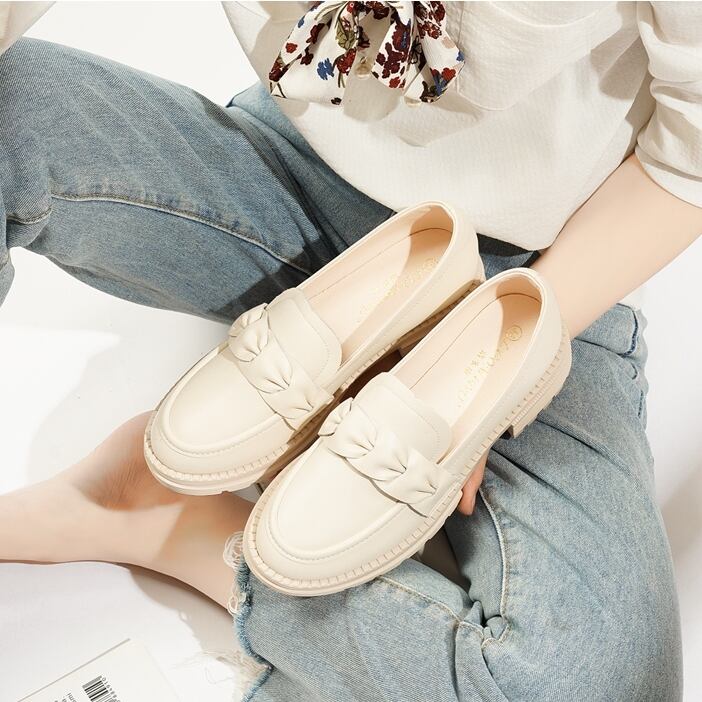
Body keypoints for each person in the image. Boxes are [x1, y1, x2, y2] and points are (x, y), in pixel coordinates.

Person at [1, 2, 701, 700]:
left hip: (550, 268)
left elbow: (691, 154)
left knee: (602, 685)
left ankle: (175, 527)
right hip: (296, 168)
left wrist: (492, 368)